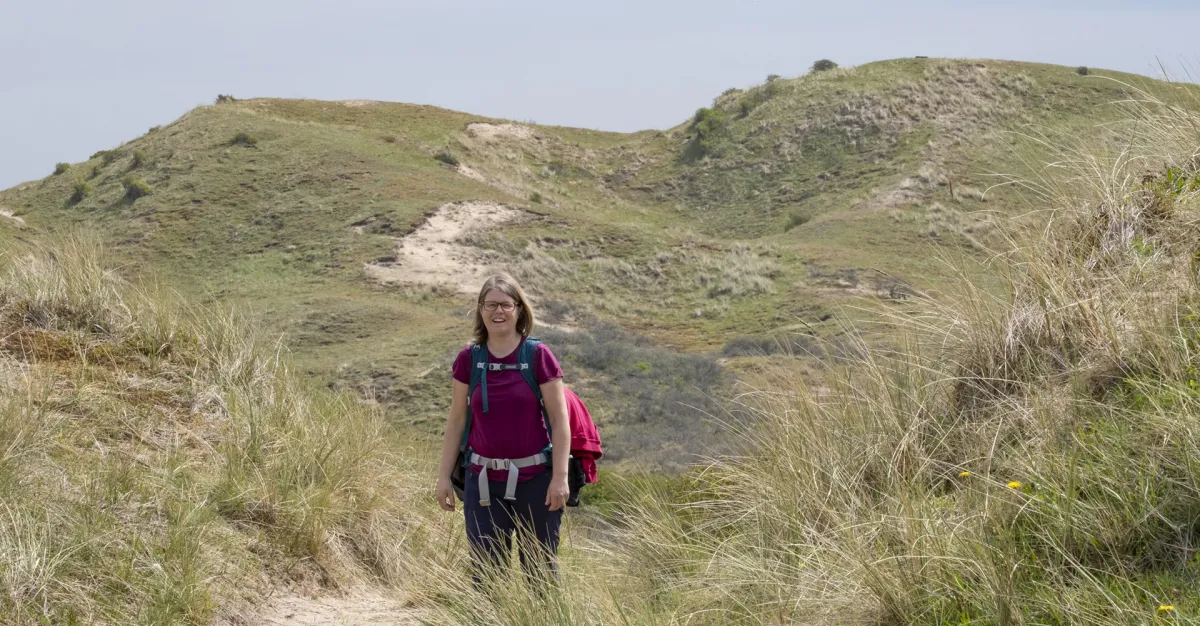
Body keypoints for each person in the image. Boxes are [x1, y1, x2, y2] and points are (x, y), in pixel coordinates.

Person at [435, 273, 571, 582]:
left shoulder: (538, 356)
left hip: (537, 483)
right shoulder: (469, 359)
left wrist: (560, 479)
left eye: (506, 304)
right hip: (482, 484)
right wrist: (443, 477)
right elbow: (456, 419)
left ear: (519, 309)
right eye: (490, 304)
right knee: (486, 578)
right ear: (480, 310)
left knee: (540, 577)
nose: (498, 312)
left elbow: (561, 422)